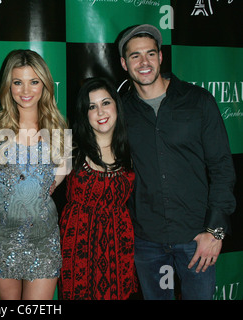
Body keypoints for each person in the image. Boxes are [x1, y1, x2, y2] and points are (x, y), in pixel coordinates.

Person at [118, 24, 236, 300]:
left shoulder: (198, 101)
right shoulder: (121, 111)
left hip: (197, 239)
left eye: (150, 53)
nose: (144, 62)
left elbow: (222, 167)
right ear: (124, 64)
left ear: (160, 57)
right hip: (147, 242)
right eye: (135, 56)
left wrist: (215, 232)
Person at [0, 49, 69, 300]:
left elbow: (53, 185)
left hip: (43, 239)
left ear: (45, 85)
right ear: (8, 86)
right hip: (1, 238)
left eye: (34, 82)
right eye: (17, 82)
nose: (25, 90)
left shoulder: (58, 128)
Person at [59, 77, 137, 300]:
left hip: (118, 244)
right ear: (85, 113)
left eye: (105, 102)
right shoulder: (69, 145)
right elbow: (46, 188)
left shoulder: (131, 148)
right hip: (77, 248)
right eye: (92, 106)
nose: (100, 112)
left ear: (116, 105)